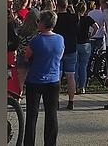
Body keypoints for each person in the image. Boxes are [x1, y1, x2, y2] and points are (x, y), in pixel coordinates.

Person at [22, 10, 64, 146]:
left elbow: (27, 56)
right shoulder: (60, 39)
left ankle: (29, 143)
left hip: (35, 80)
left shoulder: (36, 40)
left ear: (43, 23)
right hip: (53, 80)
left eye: (39, 21)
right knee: (51, 115)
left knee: (32, 115)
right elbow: (60, 55)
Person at [54, 0, 79, 110]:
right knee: (70, 75)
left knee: (57, 76)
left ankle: (56, 101)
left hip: (58, 48)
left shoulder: (55, 18)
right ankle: (71, 101)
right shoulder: (73, 17)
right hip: (71, 47)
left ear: (57, 5)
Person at [74, 1, 97, 94]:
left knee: (75, 66)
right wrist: (91, 35)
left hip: (75, 43)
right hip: (85, 43)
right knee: (83, 66)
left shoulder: (75, 19)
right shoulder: (88, 18)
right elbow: (96, 27)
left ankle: (74, 86)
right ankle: (82, 87)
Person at [15, 9, 41, 89]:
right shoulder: (38, 33)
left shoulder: (20, 30)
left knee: (20, 80)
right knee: (34, 80)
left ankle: (18, 98)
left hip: (21, 55)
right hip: (33, 57)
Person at [86, 0, 106, 76]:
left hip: (92, 35)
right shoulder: (103, 13)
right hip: (100, 35)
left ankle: (89, 70)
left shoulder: (90, 13)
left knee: (90, 55)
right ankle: (98, 70)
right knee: (100, 55)